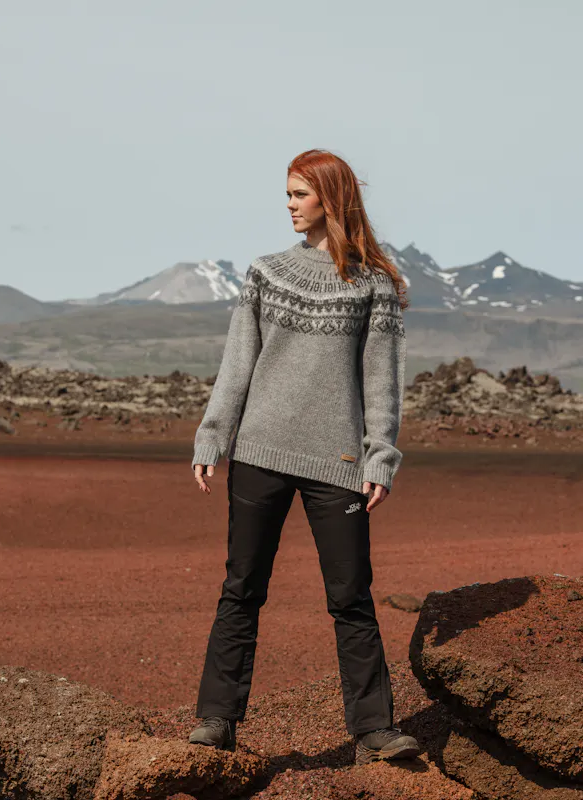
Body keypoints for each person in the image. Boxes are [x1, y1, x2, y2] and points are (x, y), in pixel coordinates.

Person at [187, 149, 419, 765]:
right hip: (259, 451)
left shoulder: (375, 284)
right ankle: (217, 719)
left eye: (299, 194)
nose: (288, 205)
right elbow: (238, 361)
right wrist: (212, 437)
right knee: (242, 587)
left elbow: (382, 381)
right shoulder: (266, 272)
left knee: (351, 596)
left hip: (337, 462)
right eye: (288, 194)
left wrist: (379, 457)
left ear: (330, 198)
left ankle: (373, 730)